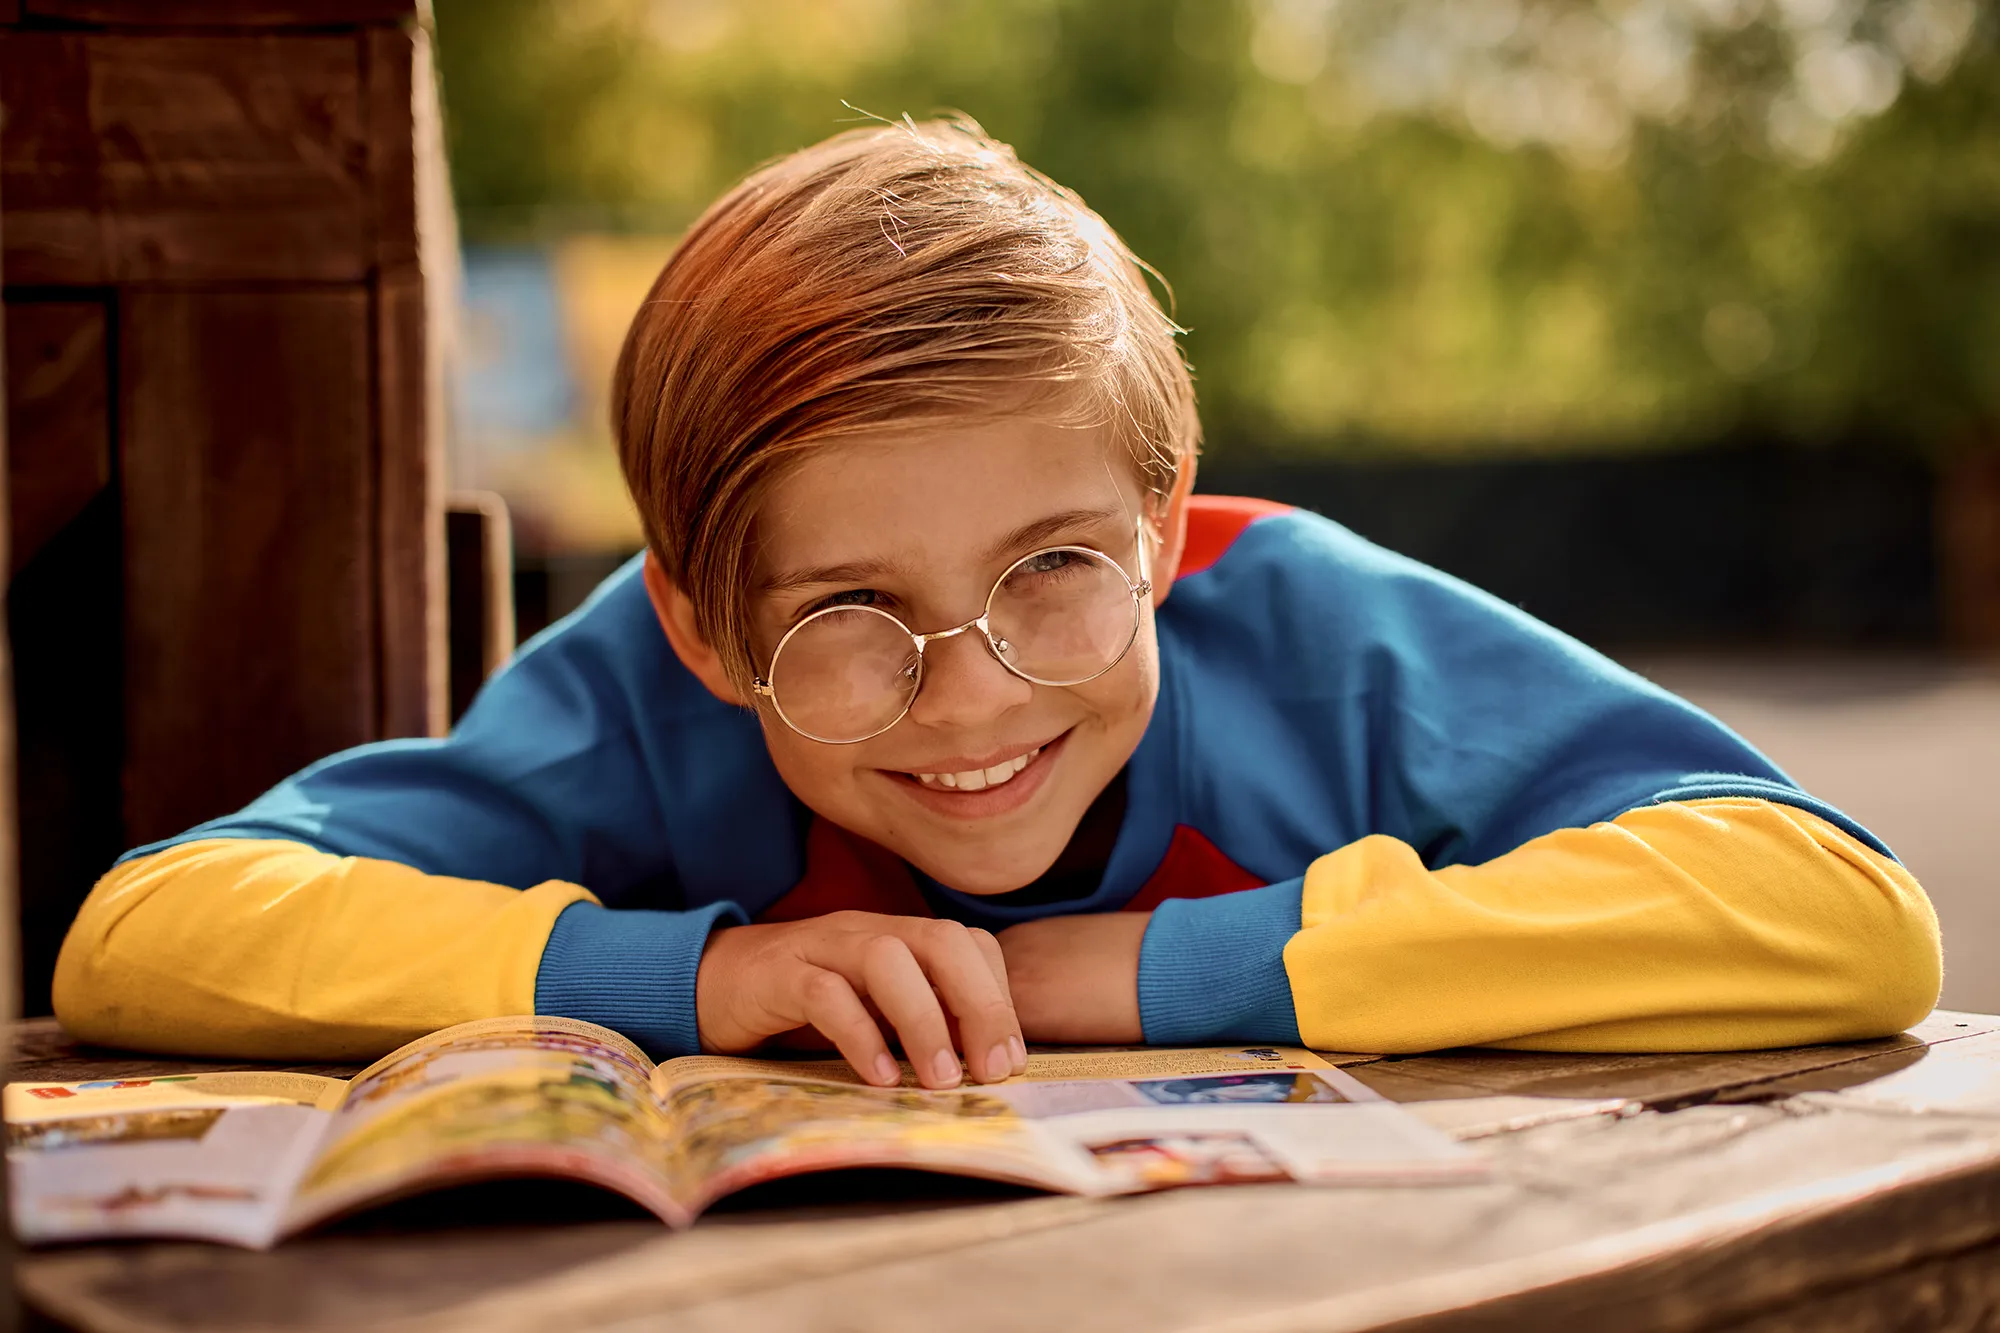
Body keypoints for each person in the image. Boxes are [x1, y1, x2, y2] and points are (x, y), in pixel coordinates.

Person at [53, 119, 1940, 1091]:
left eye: (1054, 570)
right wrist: (704, 979)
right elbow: (147, 936)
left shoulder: (1302, 624)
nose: (972, 696)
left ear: (1158, 523)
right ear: (708, 627)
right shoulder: (643, 679)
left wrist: (1113, 977)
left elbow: (1843, 916)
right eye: (847, 614)